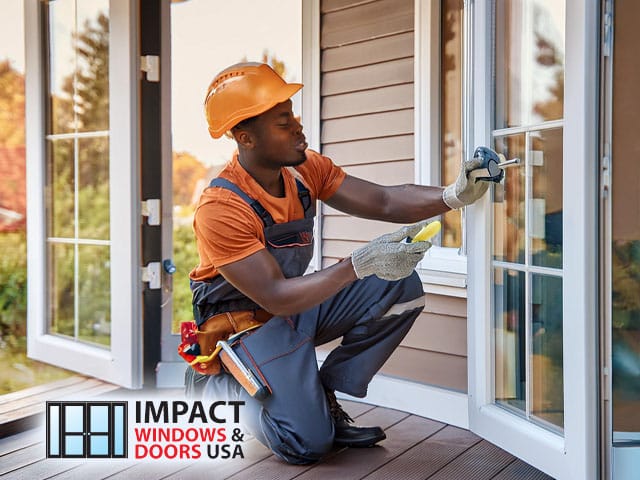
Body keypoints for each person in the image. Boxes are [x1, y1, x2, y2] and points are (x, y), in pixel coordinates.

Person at [186, 62, 489, 465]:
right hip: (246, 327)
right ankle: (221, 389)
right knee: (306, 446)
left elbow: (383, 200)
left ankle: (321, 395)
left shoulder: (304, 168)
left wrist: (453, 196)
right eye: (282, 122)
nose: (297, 127)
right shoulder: (221, 207)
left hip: (295, 308)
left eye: (292, 114)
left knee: (399, 285)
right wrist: (358, 263)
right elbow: (274, 295)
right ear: (246, 137)